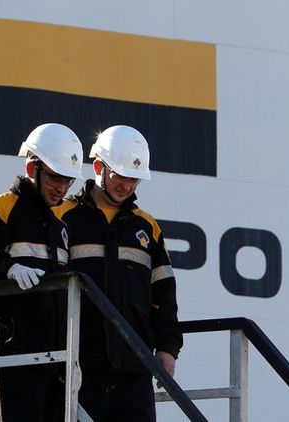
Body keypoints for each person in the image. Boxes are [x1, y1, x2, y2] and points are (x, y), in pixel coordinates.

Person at [0, 123, 84, 422]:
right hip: (13, 352)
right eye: (55, 177)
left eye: (68, 180)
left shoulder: (59, 226)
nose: (61, 188)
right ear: (32, 168)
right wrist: (6, 267)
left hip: (56, 360)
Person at [56, 125, 182, 421]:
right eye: (120, 176)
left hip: (134, 367)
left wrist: (168, 348)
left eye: (134, 179)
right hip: (77, 364)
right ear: (98, 167)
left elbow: (164, 293)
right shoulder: (62, 216)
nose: (127, 186)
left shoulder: (147, 227)